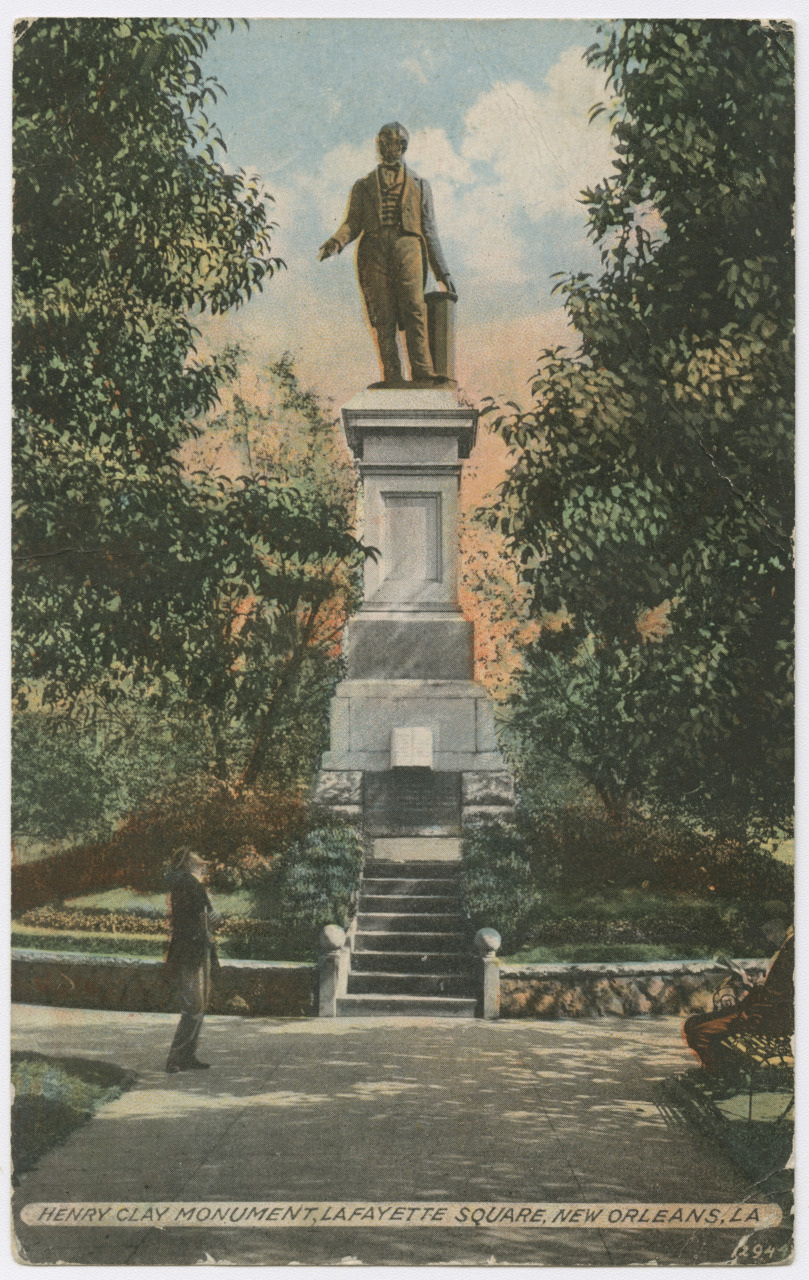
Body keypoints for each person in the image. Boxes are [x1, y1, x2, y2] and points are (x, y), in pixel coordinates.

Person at [318, 121, 457, 386]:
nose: (381, 146)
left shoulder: (421, 185)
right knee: (383, 316)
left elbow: (430, 231)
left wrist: (443, 272)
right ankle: (392, 375)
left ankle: (423, 371)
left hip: (409, 248)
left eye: (387, 141)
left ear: (402, 146)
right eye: (379, 141)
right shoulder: (363, 185)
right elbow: (352, 222)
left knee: (415, 309)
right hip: (373, 250)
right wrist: (336, 242)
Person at [683, 926, 794, 1073]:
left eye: (769, 931)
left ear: (780, 926)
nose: (768, 937)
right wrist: (753, 987)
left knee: (700, 1033)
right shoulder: (787, 945)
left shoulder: (792, 948)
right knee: (692, 1023)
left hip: (764, 1017)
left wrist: (752, 994)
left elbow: (779, 999)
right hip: (757, 1008)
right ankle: (713, 1069)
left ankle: (719, 1076)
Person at [164, 848, 223, 1073]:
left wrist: (212, 920)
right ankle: (176, 1058)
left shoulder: (187, 884)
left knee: (197, 1006)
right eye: (200, 862)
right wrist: (211, 921)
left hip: (195, 950)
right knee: (194, 1006)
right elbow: (198, 919)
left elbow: (202, 917)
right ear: (188, 863)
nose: (204, 865)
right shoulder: (188, 883)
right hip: (193, 951)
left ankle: (186, 1056)